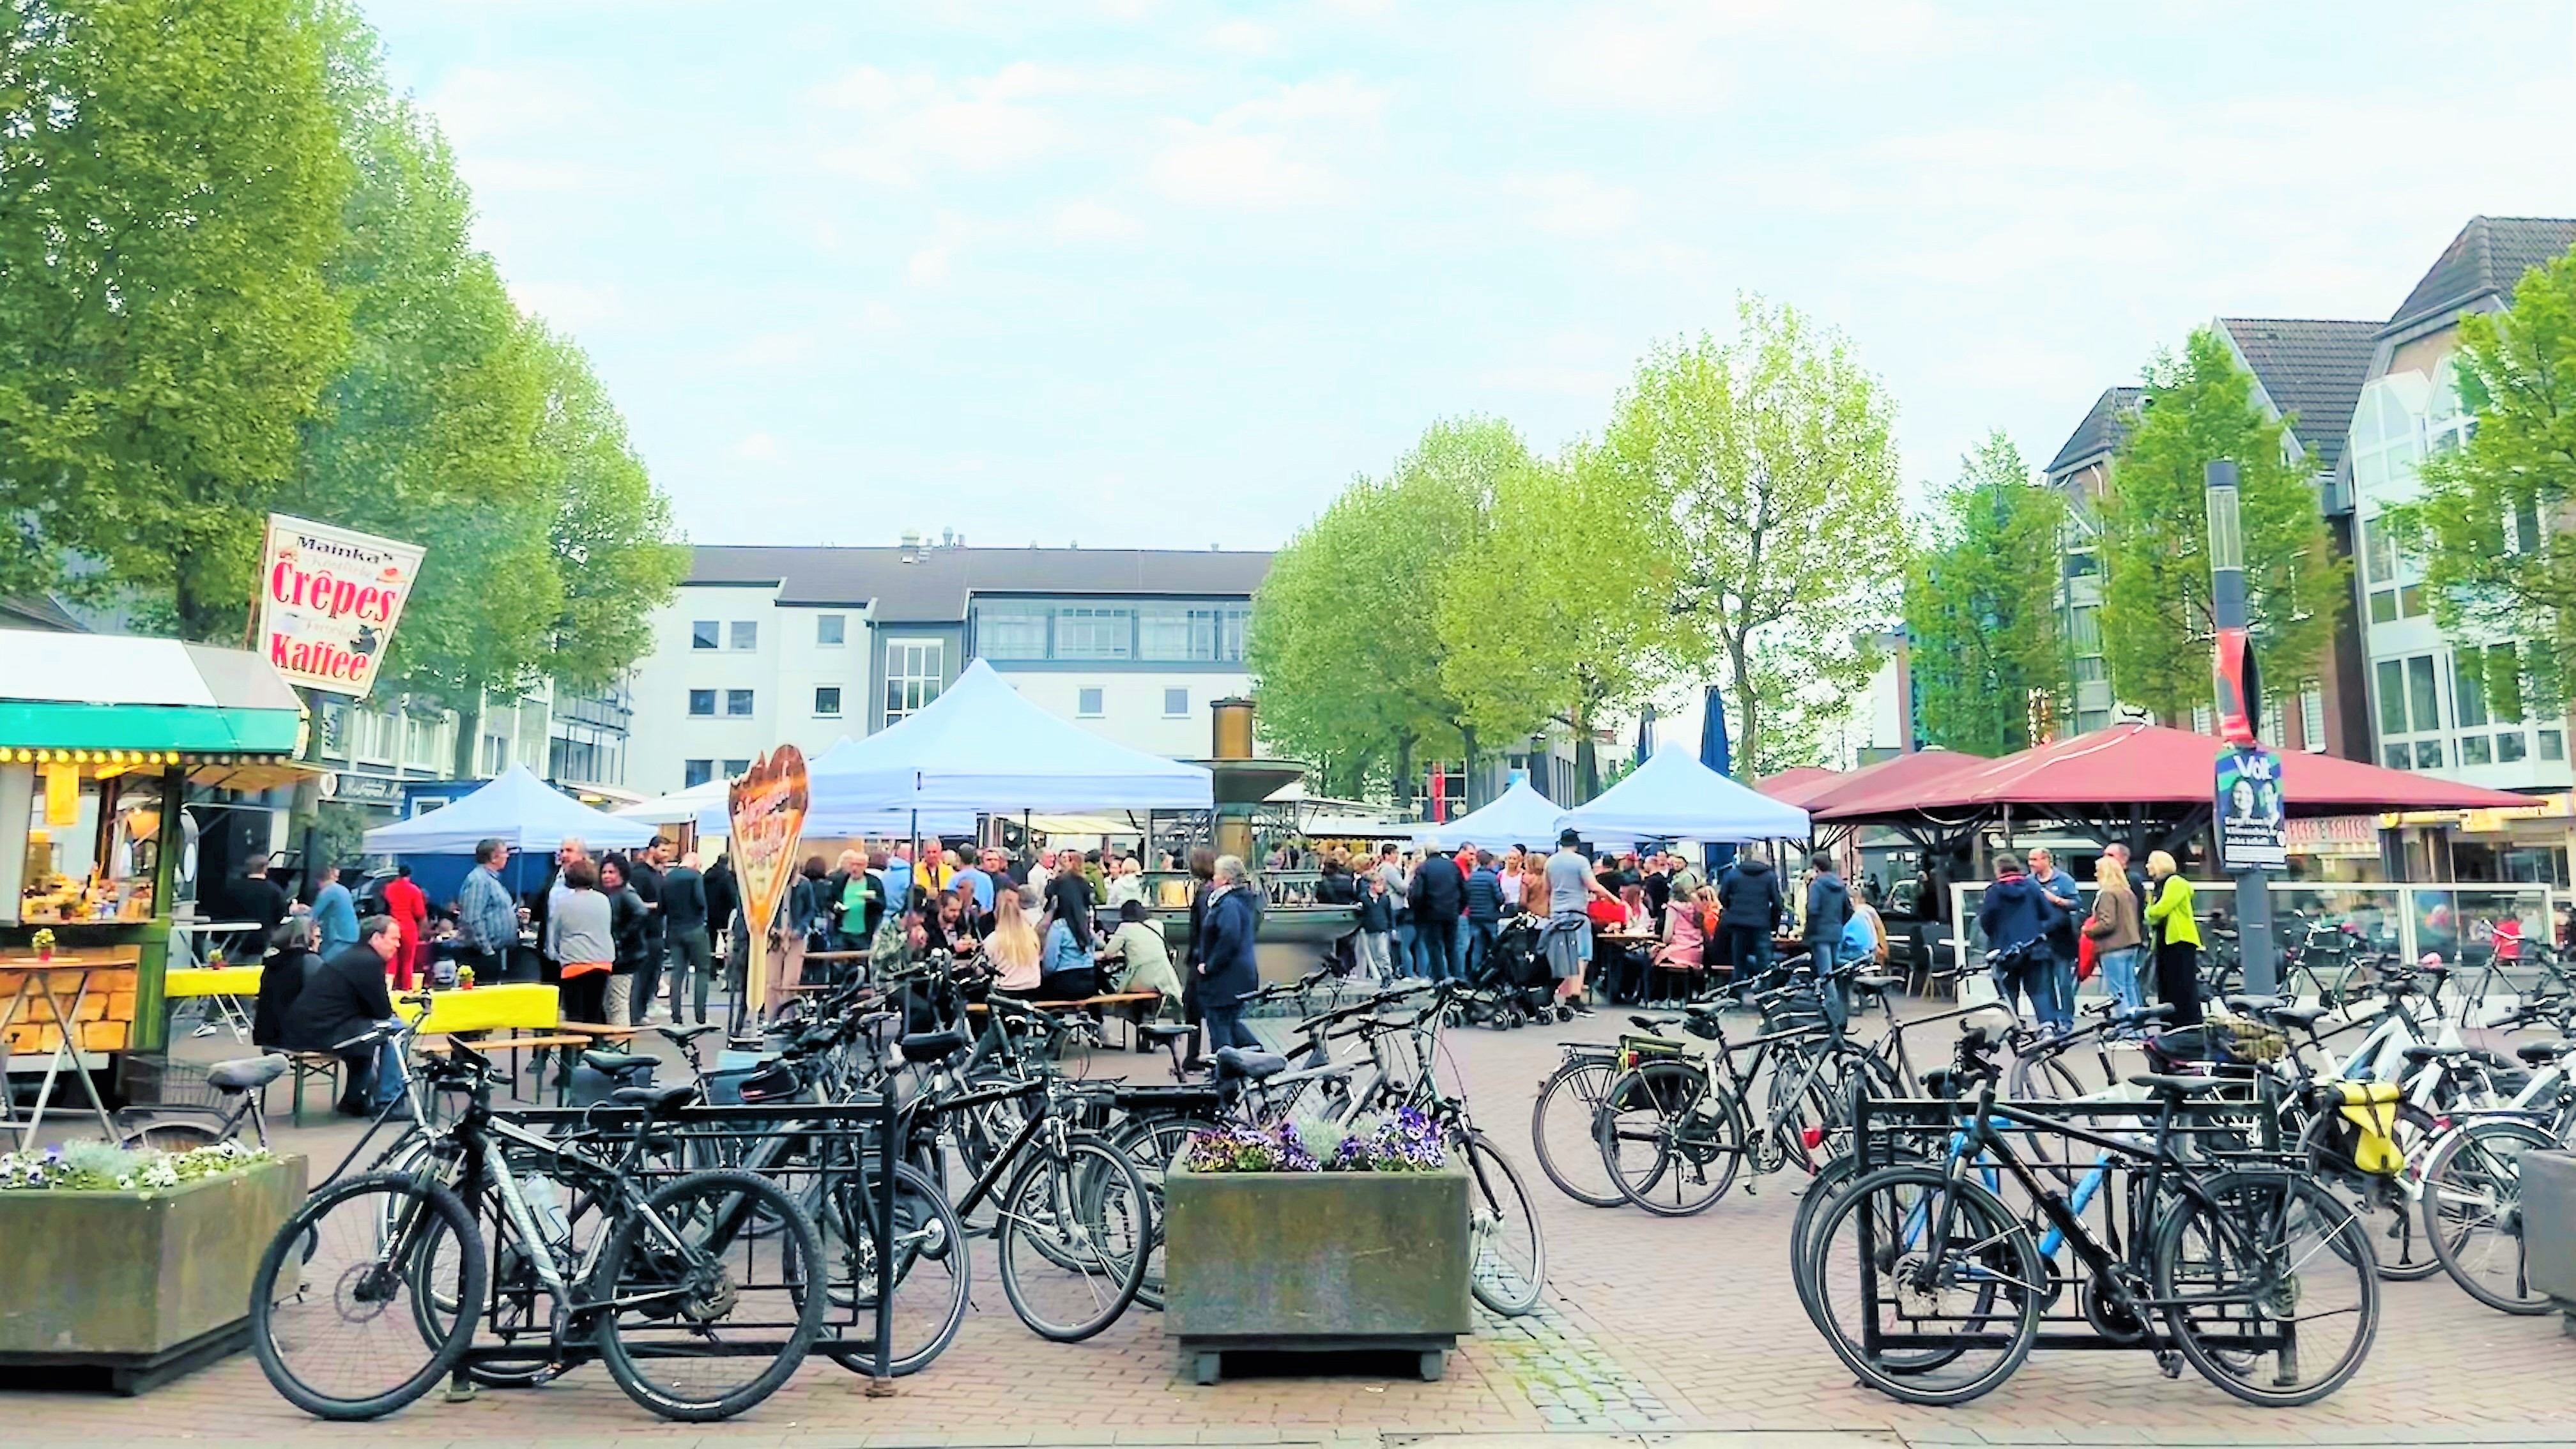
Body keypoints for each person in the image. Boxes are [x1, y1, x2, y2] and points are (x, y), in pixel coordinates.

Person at [284, 914, 405, 1117]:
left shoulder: (353, 956)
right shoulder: (369, 962)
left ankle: (354, 1099)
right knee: (398, 1030)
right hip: (323, 1031)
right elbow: (382, 1011)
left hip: (308, 1028)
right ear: (376, 939)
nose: (398, 945)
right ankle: (389, 1100)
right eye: (394, 939)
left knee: (372, 1033)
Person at [1539, 828, 1611, 1016]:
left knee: (1561, 956)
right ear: (1576, 844)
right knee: (1582, 956)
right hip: (1577, 914)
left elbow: (1547, 888)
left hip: (1557, 914)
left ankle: (1555, 993)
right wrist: (1614, 899)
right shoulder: (1581, 861)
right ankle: (1575, 996)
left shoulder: (1551, 862)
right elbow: (1593, 885)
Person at [1195, 855, 1263, 1050]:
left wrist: (1210, 965)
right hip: (1240, 974)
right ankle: (1259, 1058)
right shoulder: (1242, 901)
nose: (1213, 878)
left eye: (1216, 874)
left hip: (1226, 977)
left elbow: (1229, 937)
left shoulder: (1227, 904)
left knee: (1219, 1023)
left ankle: (1226, 1074)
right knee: (1230, 1022)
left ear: (1225, 879)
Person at [1975, 852, 2052, 1025]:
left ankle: (2014, 1029)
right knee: (2039, 992)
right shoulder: (2032, 887)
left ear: (1998, 870)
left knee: (2009, 993)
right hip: (2034, 948)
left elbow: (1986, 919)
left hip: (2004, 951)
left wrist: (1995, 937)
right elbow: (2046, 913)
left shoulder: (1994, 891)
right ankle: (2046, 1028)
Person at [544, 859, 615, 1035]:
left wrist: (555, 954)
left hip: (575, 962)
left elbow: (555, 933)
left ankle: (574, 1056)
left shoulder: (563, 904)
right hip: (603, 960)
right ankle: (596, 1053)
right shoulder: (603, 900)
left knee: (575, 1015)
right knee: (595, 1010)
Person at [2143, 849, 2203, 1027]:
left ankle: (2188, 1023)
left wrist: (2149, 912)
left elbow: (2160, 909)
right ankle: (2169, 1022)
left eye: (2150, 862)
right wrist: (2152, 913)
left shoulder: (2175, 882)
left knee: (2182, 984)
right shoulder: (2158, 885)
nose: (2147, 866)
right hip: (2164, 941)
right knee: (2166, 984)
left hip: (2179, 940)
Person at [2083, 854, 2145, 1022]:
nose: (2095, 874)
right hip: (2130, 944)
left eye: (2098, 871)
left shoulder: (2107, 894)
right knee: (2130, 988)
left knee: (2118, 992)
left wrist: (2088, 931)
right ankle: (2138, 1029)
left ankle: (2126, 1030)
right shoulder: (2127, 892)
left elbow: (2107, 923)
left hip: (2113, 946)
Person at [2027, 847, 2082, 1032]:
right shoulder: (2029, 882)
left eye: (2035, 859)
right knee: (2045, 984)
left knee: (2064, 983)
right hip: (2040, 940)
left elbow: (2076, 904)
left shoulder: (2064, 880)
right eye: (2030, 860)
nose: (2031, 864)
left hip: (2062, 939)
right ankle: (2051, 1020)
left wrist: (2056, 900)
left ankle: (2067, 1020)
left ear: (2046, 860)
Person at [1101, 899, 1183, 1019]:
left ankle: (1133, 1020)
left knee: (1123, 991)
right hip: (1163, 979)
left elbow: (1108, 953)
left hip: (1140, 980)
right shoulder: (1157, 925)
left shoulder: (1125, 928)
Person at [252, 916, 325, 1050]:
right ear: (307, 938)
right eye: (318, 937)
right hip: (298, 1036)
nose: (320, 941)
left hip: (268, 1035)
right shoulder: (311, 962)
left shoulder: (272, 962)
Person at [1716, 854, 1784, 990]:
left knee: (1739, 960)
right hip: (1761, 924)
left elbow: (1722, 896)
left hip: (1738, 923)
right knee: (1764, 961)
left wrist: (1732, 908)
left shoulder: (1733, 874)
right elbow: (1777, 903)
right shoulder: (1770, 876)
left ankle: (1737, 994)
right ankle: (1764, 994)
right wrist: (1773, 923)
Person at [456, 839, 519, 986]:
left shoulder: (492, 880)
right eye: (505, 853)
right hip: (482, 956)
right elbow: (472, 918)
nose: (508, 856)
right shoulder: (479, 880)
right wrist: (487, 951)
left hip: (493, 953)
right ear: (494, 857)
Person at [597, 856, 650, 1026]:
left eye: (612, 872)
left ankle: (620, 1045)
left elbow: (641, 912)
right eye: (604, 872)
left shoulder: (626, 893)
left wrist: (622, 936)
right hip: (618, 955)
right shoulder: (612, 894)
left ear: (622, 874)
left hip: (625, 958)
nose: (606, 876)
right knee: (611, 1003)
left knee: (618, 1004)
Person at [662, 850, 712, 1024]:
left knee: (678, 973)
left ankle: (676, 1017)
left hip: (674, 930)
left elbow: (662, 908)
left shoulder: (668, 877)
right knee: (702, 971)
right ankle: (701, 1017)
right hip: (695, 928)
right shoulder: (695, 877)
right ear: (695, 864)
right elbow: (700, 901)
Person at [1408, 836, 1466, 983]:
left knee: (1434, 948)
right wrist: (1458, 909)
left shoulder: (1424, 868)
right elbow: (1465, 890)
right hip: (1451, 913)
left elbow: (1417, 894)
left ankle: (1440, 980)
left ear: (1426, 852)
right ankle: (1457, 978)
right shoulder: (1453, 866)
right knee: (1452, 948)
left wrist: (1418, 911)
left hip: (1430, 914)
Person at [625, 839, 667, 1023]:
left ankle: (642, 1010)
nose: (667, 855)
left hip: (657, 931)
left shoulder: (658, 875)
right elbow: (635, 903)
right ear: (652, 850)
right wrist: (655, 906)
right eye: (663, 850)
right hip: (643, 932)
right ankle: (634, 1014)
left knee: (653, 974)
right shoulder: (640, 874)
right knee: (641, 976)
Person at [985, 885, 1044, 997]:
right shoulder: (1031, 935)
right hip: (1033, 989)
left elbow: (984, 968)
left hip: (1006, 992)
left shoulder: (993, 939)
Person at [1039, 899, 1099, 1000]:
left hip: (1066, 982)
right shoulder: (1085, 925)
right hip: (1089, 982)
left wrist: (1044, 975)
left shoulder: (1059, 926)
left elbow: (1050, 963)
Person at [225, 854, 291, 936]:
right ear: (265, 868)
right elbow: (280, 915)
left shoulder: (231, 887)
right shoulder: (275, 890)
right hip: (262, 939)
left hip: (231, 939)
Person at [1044, 850, 1098, 949]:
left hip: (1062, 917)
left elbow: (1048, 893)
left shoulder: (1060, 880)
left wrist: (1053, 877)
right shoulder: (1084, 882)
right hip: (1080, 919)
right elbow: (1088, 902)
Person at [1463, 851, 1505, 979]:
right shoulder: (1492, 878)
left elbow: (1467, 896)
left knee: (1477, 947)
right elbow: (1499, 898)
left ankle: (1475, 975)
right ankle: (1494, 976)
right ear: (1490, 863)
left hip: (1474, 917)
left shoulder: (1471, 877)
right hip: (1490, 917)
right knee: (1495, 947)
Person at [1353, 869, 1395, 983]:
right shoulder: (1363, 898)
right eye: (1379, 884)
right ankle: (1380, 974)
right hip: (1369, 928)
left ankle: (1387, 974)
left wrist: (1392, 927)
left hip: (1382, 929)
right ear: (1372, 885)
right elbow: (1360, 913)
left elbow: (1389, 913)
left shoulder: (1385, 899)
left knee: (1383, 952)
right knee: (1374, 953)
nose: (1382, 887)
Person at [310, 864, 359, 959]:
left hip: (337, 938)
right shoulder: (342, 890)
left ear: (318, 881)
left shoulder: (327, 891)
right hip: (350, 937)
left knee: (325, 966)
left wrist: (295, 911)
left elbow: (312, 915)